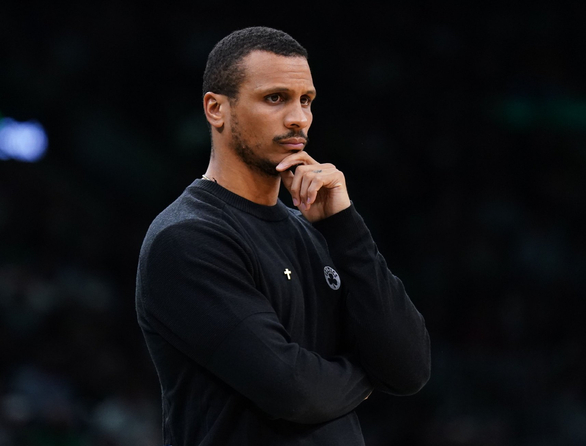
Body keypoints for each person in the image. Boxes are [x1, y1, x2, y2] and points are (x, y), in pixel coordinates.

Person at [135, 26, 430, 445]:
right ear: (216, 109)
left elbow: (410, 368)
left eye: (306, 100)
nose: (298, 119)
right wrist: (368, 375)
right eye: (275, 98)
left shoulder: (320, 234)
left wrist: (345, 227)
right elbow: (293, 390)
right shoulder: (187, 238)